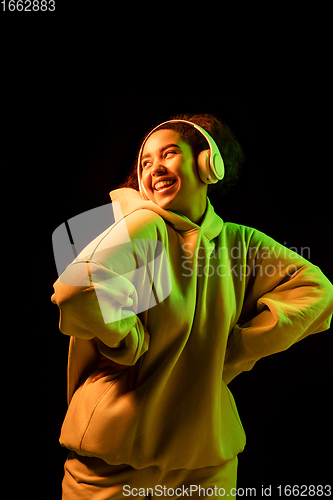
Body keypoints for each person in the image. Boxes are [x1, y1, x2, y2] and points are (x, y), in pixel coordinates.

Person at [52, 113, 333, 499]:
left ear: (207, 164)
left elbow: (316, 291)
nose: (155, 168)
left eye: (169, 154)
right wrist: (124, 338)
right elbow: (76, 289)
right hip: (115, 467)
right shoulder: (142, 226)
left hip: (205, 467)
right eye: (145, 162)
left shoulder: (242, 244)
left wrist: (235, 350)